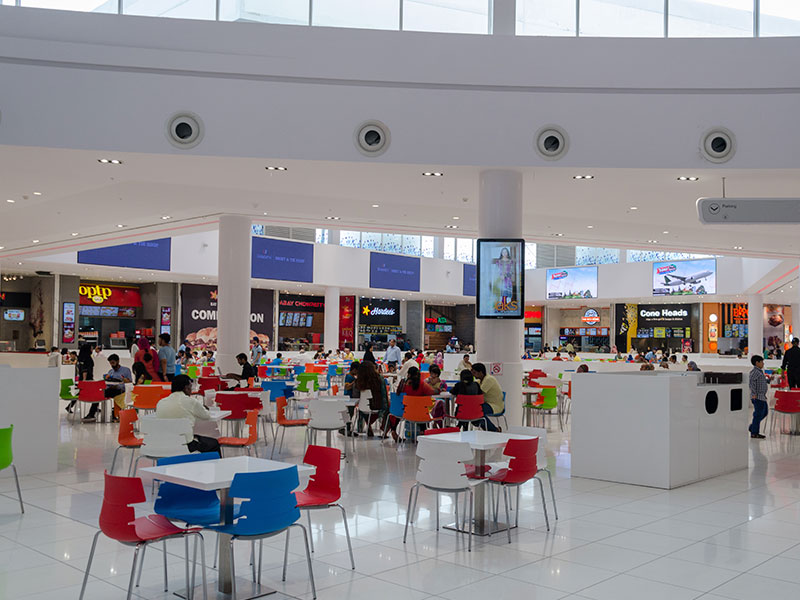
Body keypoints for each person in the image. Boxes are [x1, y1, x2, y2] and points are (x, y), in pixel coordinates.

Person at [156, 375, 220, 453]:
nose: (191, 390)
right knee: (213, 444)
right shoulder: (190, 401)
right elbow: (206, 416)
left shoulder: (161, 402)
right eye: (190, 387)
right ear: (186, 388)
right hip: (185, 444)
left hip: (162, 443)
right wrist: (205, 408)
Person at [355, 361, 387, 437]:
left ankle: (366, 425)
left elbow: (356, 396)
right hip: (377, 406)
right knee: (388, 409)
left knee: (364, 410)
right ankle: (385, 431)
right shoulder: (379, 379)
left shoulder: (358, 381)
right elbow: (384, 394)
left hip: (362, 408)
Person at [471, 363, 502, 432]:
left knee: (477, 411)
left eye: (474, 372)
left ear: (480, 372)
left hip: (493, 405)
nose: (473, 375)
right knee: (474, 412)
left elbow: (479, 393)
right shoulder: (480, 380)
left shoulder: (488, 379)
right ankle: (490, 429)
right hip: (486, 403)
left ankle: (494, 430)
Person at [104, 353, 132, 422]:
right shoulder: (110, 372)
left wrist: (125, 380)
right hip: (111, 390)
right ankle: (92, 413)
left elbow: (130, 383)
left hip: (121, 390)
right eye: (110, 363)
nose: (112, 365)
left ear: (118, 361)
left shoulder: (126, 370)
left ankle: (116, 414)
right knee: (99, 393)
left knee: (116, 392)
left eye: (113, 363)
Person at [749, 355, 769, 439]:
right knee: (758, 414)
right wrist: (754, 394)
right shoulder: (755, 372)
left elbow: (762, 381)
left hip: (762, 396)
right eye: (761, 362)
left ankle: (752, 427)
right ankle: (754, 432)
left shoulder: (759, 371)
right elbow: (751, 383)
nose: (763, 363)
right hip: (757, 397)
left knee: (764, 412)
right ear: (757, 363)